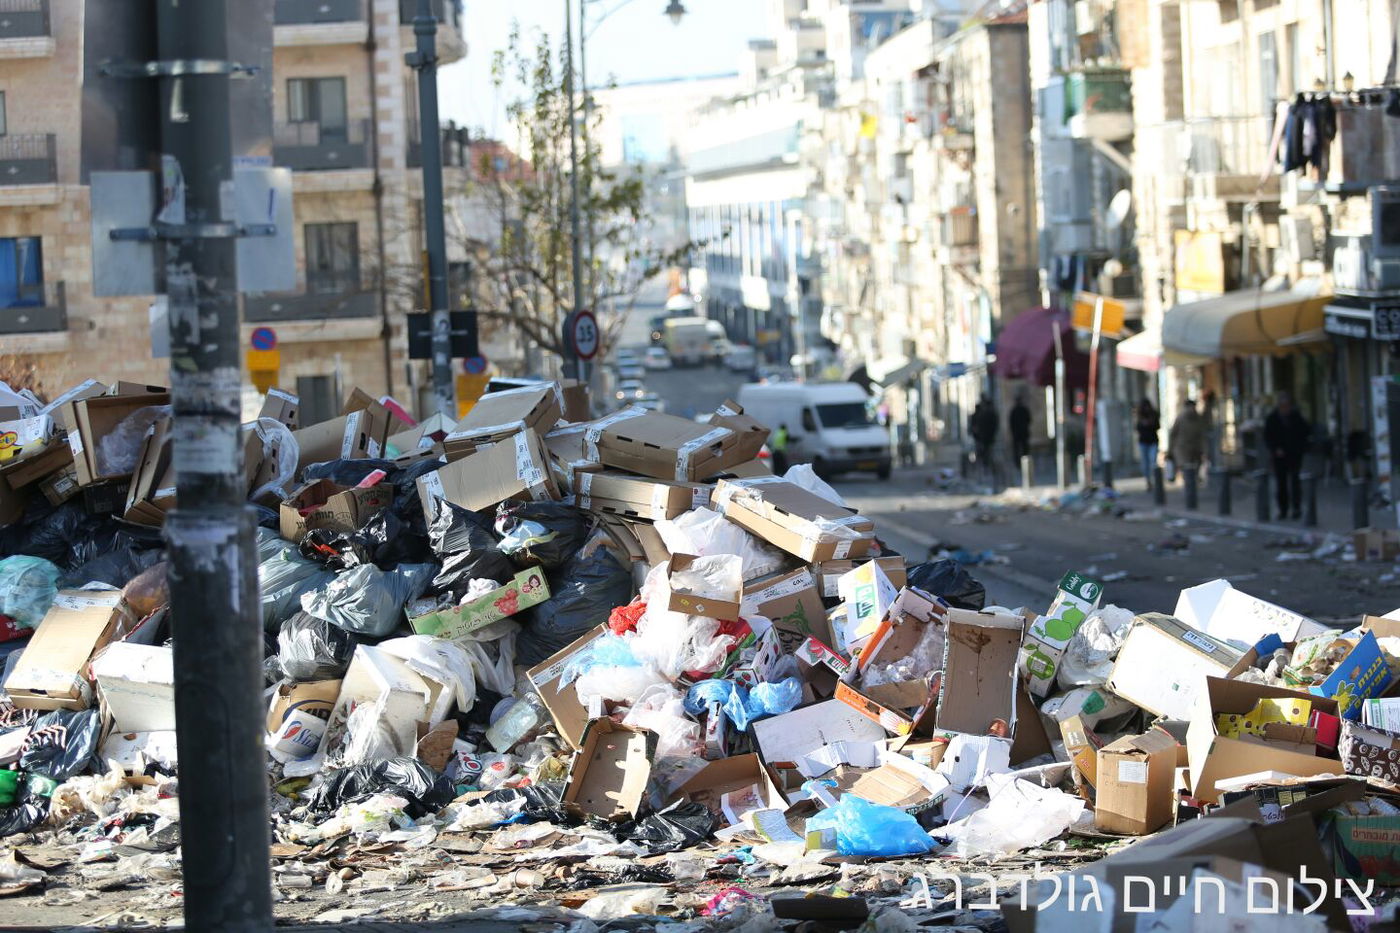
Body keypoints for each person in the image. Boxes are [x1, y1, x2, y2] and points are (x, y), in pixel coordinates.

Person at [1264, 392, 1310, 520]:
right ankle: (1283, 509)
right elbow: (1268, 437)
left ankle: (1296, 508)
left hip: (1294, 454)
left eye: (1287, 406)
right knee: (1281, 483)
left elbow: (1305, 431)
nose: (1285, 409)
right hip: (1279, 456)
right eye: (1283, 406)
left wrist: (1300, 447)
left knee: (1295, 481)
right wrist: (1275, 449)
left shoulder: (1296, 417)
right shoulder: (1272, 419)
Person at [1168, 398, 1206, 487]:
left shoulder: (1182, 417)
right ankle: (1191, 486)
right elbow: (1201, 434)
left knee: (1188, 469)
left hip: (1186, 448)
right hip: (1189, 448)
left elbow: (1173, 434)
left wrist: (1170, 450)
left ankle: (1190, 486)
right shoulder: (1194, 418)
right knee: (1191, 469)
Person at [969, 395, 999, 483]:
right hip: (984, 437)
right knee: (985, 452)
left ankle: (986, 466)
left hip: (983, 437)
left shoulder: (984, 414)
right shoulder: (985, 414)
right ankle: (986, 466)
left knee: (985, 453)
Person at [1135, 398, 1160, 482]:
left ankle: (1154, 478)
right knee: (1145, 462)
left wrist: (1151, 424)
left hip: (1153, 440)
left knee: (1153, 460)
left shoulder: (1154, 414)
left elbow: (1158, 426)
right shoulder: (1140, 415)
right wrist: (1143, 424)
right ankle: (1148, 479)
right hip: (1143, 441)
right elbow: (1137, 428)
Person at [1009, 395, 1031, 467]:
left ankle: (1022, 463)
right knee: (1022, 449)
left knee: (1021, 449)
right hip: (1020, 433)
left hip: (1019, 433)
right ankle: (1021, 463)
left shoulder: (1017, 410)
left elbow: (1028, 420)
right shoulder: (1017, 411)